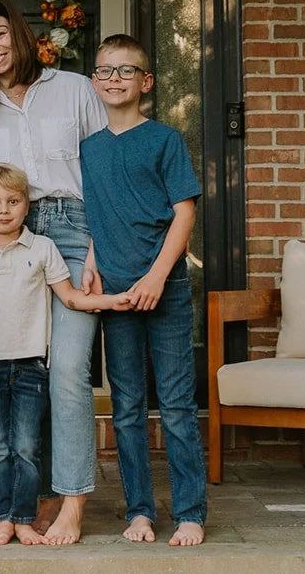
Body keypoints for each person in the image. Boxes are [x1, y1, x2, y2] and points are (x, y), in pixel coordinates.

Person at [0, 163, 129, 545]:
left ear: (27, 205)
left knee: (27, 448)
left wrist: (112, 300)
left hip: (32, 365)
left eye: (13, 201)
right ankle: (4, 518)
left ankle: (23, 518)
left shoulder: (43, 248)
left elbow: (70, 297)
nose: (4, 210)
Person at [0, 0, 108, 545]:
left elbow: (104, 172)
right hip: (13, 238)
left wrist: (97, 248)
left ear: (20, 33)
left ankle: (72, 501)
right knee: (28, 367)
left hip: (75, 232)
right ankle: (38, 497)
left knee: (70, 366)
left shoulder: (73, 89)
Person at [80, 34, 207, 548]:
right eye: (105, 71)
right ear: (94, 81)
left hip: (166, 288)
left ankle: (191, 513)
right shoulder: (89, 148)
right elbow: (97, 215)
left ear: (145, 82)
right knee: (127, 406)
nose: (114, 78)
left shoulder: (164, 140)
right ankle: (139, 511)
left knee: (176, 405)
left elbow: (185, 212)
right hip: (115, 294)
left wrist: (157, 276)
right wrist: (91, 261)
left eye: (125, 70)